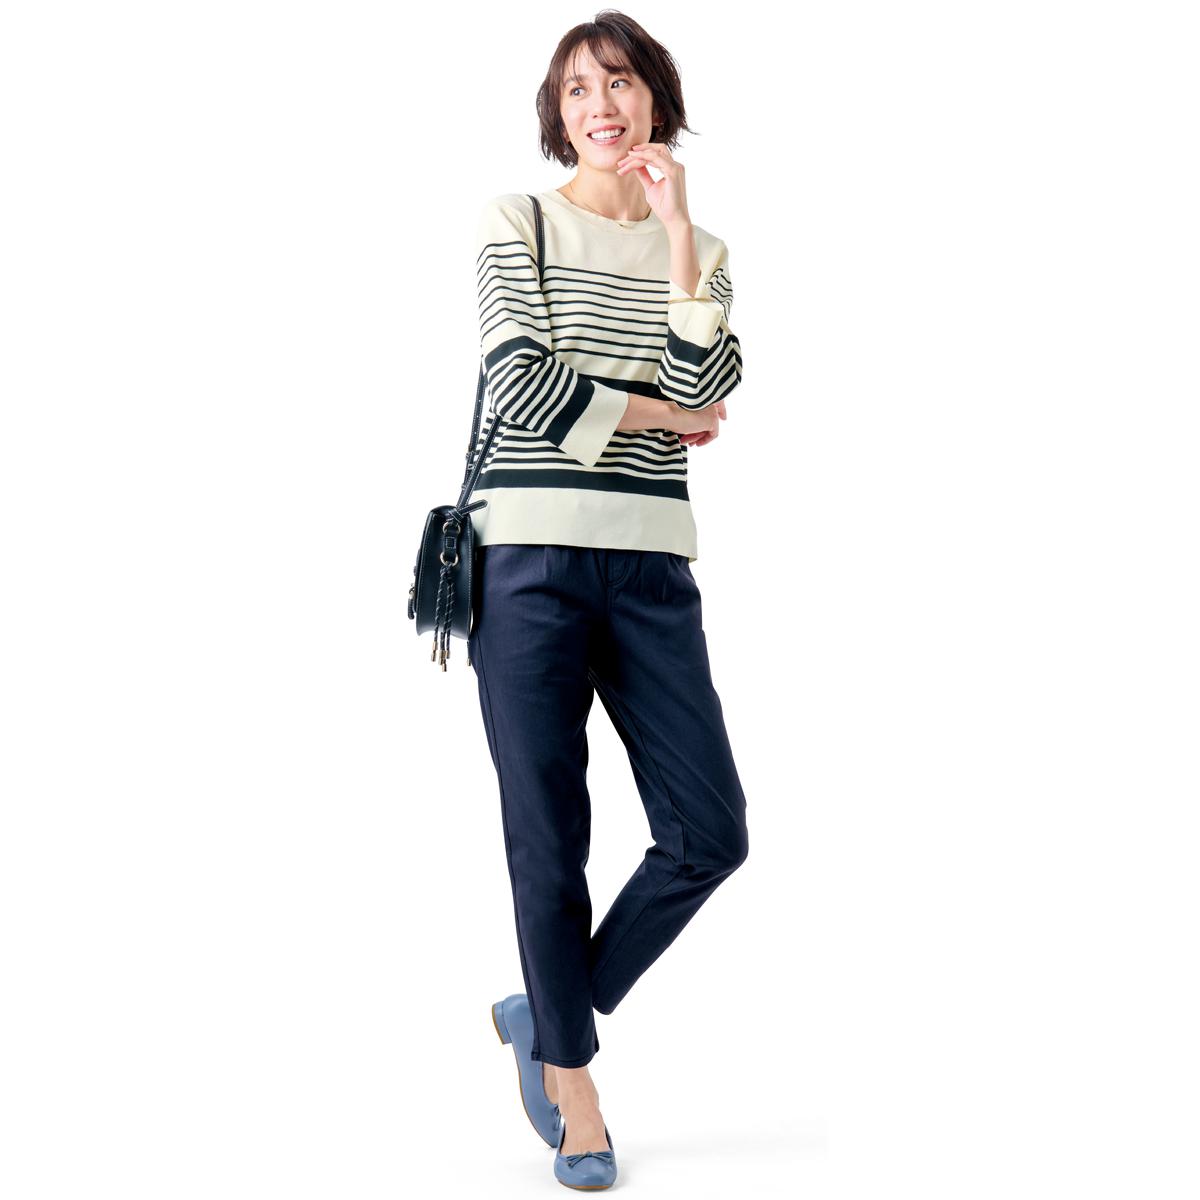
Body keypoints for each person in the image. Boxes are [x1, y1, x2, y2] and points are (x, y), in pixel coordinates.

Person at [470, 12, 748, 1189]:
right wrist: (659, 415)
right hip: (527, 559)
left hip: (650, 567)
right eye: (578, 88)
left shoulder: (705, 249)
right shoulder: (518, 223)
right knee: (551, 838)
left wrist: (677, 233)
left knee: (710, 835)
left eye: (621, 83)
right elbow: (520, 385)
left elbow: (710, 379)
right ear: (557, 111)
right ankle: (573, 1085)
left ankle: (546, 1011)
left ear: (655, 102)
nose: (601, 105)